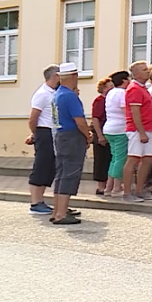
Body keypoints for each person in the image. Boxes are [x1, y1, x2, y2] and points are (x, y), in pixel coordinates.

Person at [51, 63, 90, 225]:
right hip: (72, 136)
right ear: (74, 76)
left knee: (62, 173)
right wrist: (87, 135)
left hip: (61, 134)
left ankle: (57, 211)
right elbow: (79, 121)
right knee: (70, 173)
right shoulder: (70, 96)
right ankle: (61, 213)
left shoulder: (57, 94)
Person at [25, 64, 60, 215]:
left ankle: (41, 200)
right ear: (55, 76)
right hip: (44, 131)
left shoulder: (54, 92)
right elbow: (33, 118)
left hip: (53, 132)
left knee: (49, 167)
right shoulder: (42, 94)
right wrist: (36, 134)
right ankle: (35, 202)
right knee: (41, 166)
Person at [122, 60, 152, 202]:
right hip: (137, 130)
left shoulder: (143, 88)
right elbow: (135, 112)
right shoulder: (134, 89)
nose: (147, 71)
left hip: (147, 128)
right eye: (144, 70)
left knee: (147, 159)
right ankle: (127, 192)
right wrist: (141, 132)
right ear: (135, 74)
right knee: (133, 158)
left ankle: (139, 190)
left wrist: (150, 131)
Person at [102, 71, 130, 197]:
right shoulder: (122, 93)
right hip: (120, 128)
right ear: (124, 81)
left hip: (109, 128)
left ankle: (108, 187)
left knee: (114, 158)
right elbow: (125, 111)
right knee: (120, 159)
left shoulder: (110, 93)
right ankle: (116, 188)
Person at [90, 78, 113, 196]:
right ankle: (101, 186)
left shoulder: (110, 100)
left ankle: (109, 184)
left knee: (109, 159)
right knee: (101, 160)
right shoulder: (99, 101)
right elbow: (95, 119)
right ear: (104, 88)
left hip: (109, 132)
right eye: (110, 86)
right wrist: (100, 135)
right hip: (101, 133)